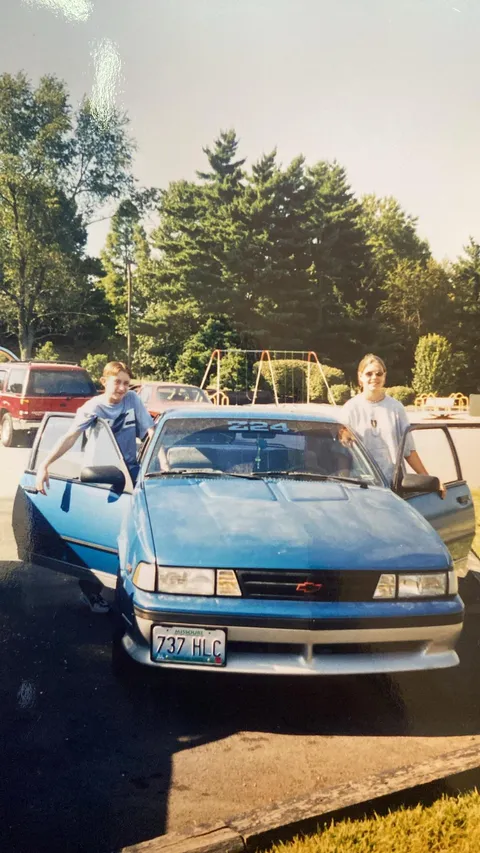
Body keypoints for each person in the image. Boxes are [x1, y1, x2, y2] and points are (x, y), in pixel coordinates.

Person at [35, 360, 154, 613]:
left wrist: (163, 463)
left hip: (130, 472)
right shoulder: (93, 407)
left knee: (138, 528)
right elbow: (70, 437)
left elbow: (150, 433)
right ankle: (92, 590)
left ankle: (135, 587)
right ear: (104, 382)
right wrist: (44, 465)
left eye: (126, 382)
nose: (122, 388)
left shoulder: (132, 400)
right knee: (102, 530)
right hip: (100, 475)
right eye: (117, 382)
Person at [342, 353, 445, 495]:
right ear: (360, 377)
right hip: (361, 486)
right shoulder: (350, 408)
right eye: (369, 374)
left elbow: (408, 450)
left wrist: (429, 480)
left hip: (393, 486)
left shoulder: (396, 408)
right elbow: (342, 451)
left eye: (379, 373)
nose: (374, 378)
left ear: (384, 376)